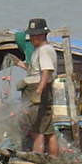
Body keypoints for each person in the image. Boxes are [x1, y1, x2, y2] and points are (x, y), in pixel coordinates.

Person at [23, 17, 60, 155]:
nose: (32, 38)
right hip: (38, 90)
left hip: (39, 92)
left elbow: (46, 72)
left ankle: (38, 159)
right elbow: (35, 71)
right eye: (31, 35)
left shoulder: (44, 50)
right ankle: (52, 160)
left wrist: (38, 91)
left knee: (37, 130)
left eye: (35, 35)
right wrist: (19, 64)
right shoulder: (39, 50)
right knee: (47, 129)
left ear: (43, 34)